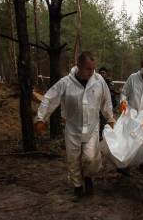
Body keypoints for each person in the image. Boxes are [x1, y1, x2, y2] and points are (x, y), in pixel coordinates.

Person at [35, 52, 115, 199]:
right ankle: (77, 186)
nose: (91, 72)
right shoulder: (66, 82)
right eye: (88, 69)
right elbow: (49, 98)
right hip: (72, 128)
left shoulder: (99, 81)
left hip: (91, 128)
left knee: (90, 158)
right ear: (79, 66)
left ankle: (88, 177)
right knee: (73, 159)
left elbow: (106, 100)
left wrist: (110, 118)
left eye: (93, 68)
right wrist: (41, 119)